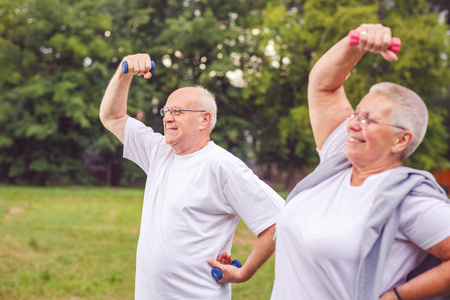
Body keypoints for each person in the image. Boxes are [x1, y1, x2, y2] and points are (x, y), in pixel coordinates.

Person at [271, 23, 450, 300]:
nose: (353, 125)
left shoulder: (406, 198)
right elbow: (323, 85)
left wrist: (398, 297)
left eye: (369, 119)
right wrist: (356, 42)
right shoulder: (338, 158)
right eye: (356, 113)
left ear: (401, 140)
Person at [99, 54, 284, 300]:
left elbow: (278, 220)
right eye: (166, 110)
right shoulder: (159, 152)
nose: (167, 117)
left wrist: (244, 272)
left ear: (204, 119)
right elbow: (112, 117)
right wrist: (124, 73)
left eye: (177, 111)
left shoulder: (223, 166)